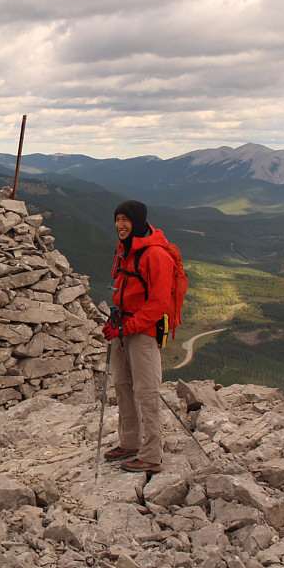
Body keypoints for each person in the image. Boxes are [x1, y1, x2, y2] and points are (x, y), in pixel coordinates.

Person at [102, 200, 174, 473]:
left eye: (125, 220)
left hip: (142, 332)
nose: (120, 225)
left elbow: (158, 305)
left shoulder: (155, 255)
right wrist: (116, 322)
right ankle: (130, 442)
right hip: (122, 326)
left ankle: (152, 455)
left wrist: (126, 328)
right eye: (117, 219)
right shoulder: (126, 250)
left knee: (147, 392)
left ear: (138, 221)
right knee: (121, 385)